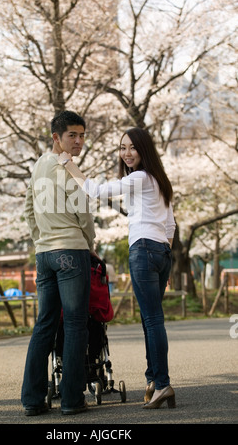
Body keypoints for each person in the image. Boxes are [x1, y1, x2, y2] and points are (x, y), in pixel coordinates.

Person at [58, 127, 176, 409]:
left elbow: (96, 191)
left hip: (144, 250)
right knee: (152, 319)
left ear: (143, 149)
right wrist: (165, 258)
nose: (126, 153)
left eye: (132, 147)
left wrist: (67, 163)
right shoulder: (159, 180)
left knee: (152, 320)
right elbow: (170, 225)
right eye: (122, 148)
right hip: (161, 251)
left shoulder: (139, 178)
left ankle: (162, 384)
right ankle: (153, 380)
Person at [21, 110, 96, 416]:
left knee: (44, 324)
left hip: (44, 254)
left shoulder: (38, 166)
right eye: (71, 136)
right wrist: (89, 244)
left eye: (82, 136)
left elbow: (28, 208)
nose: (78, 142)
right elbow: (84, 212)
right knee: (77, 323)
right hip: (71, 250)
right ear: (56, 137)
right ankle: (71, 400)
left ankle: (33, 400)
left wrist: (41, 239)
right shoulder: (68, 168)